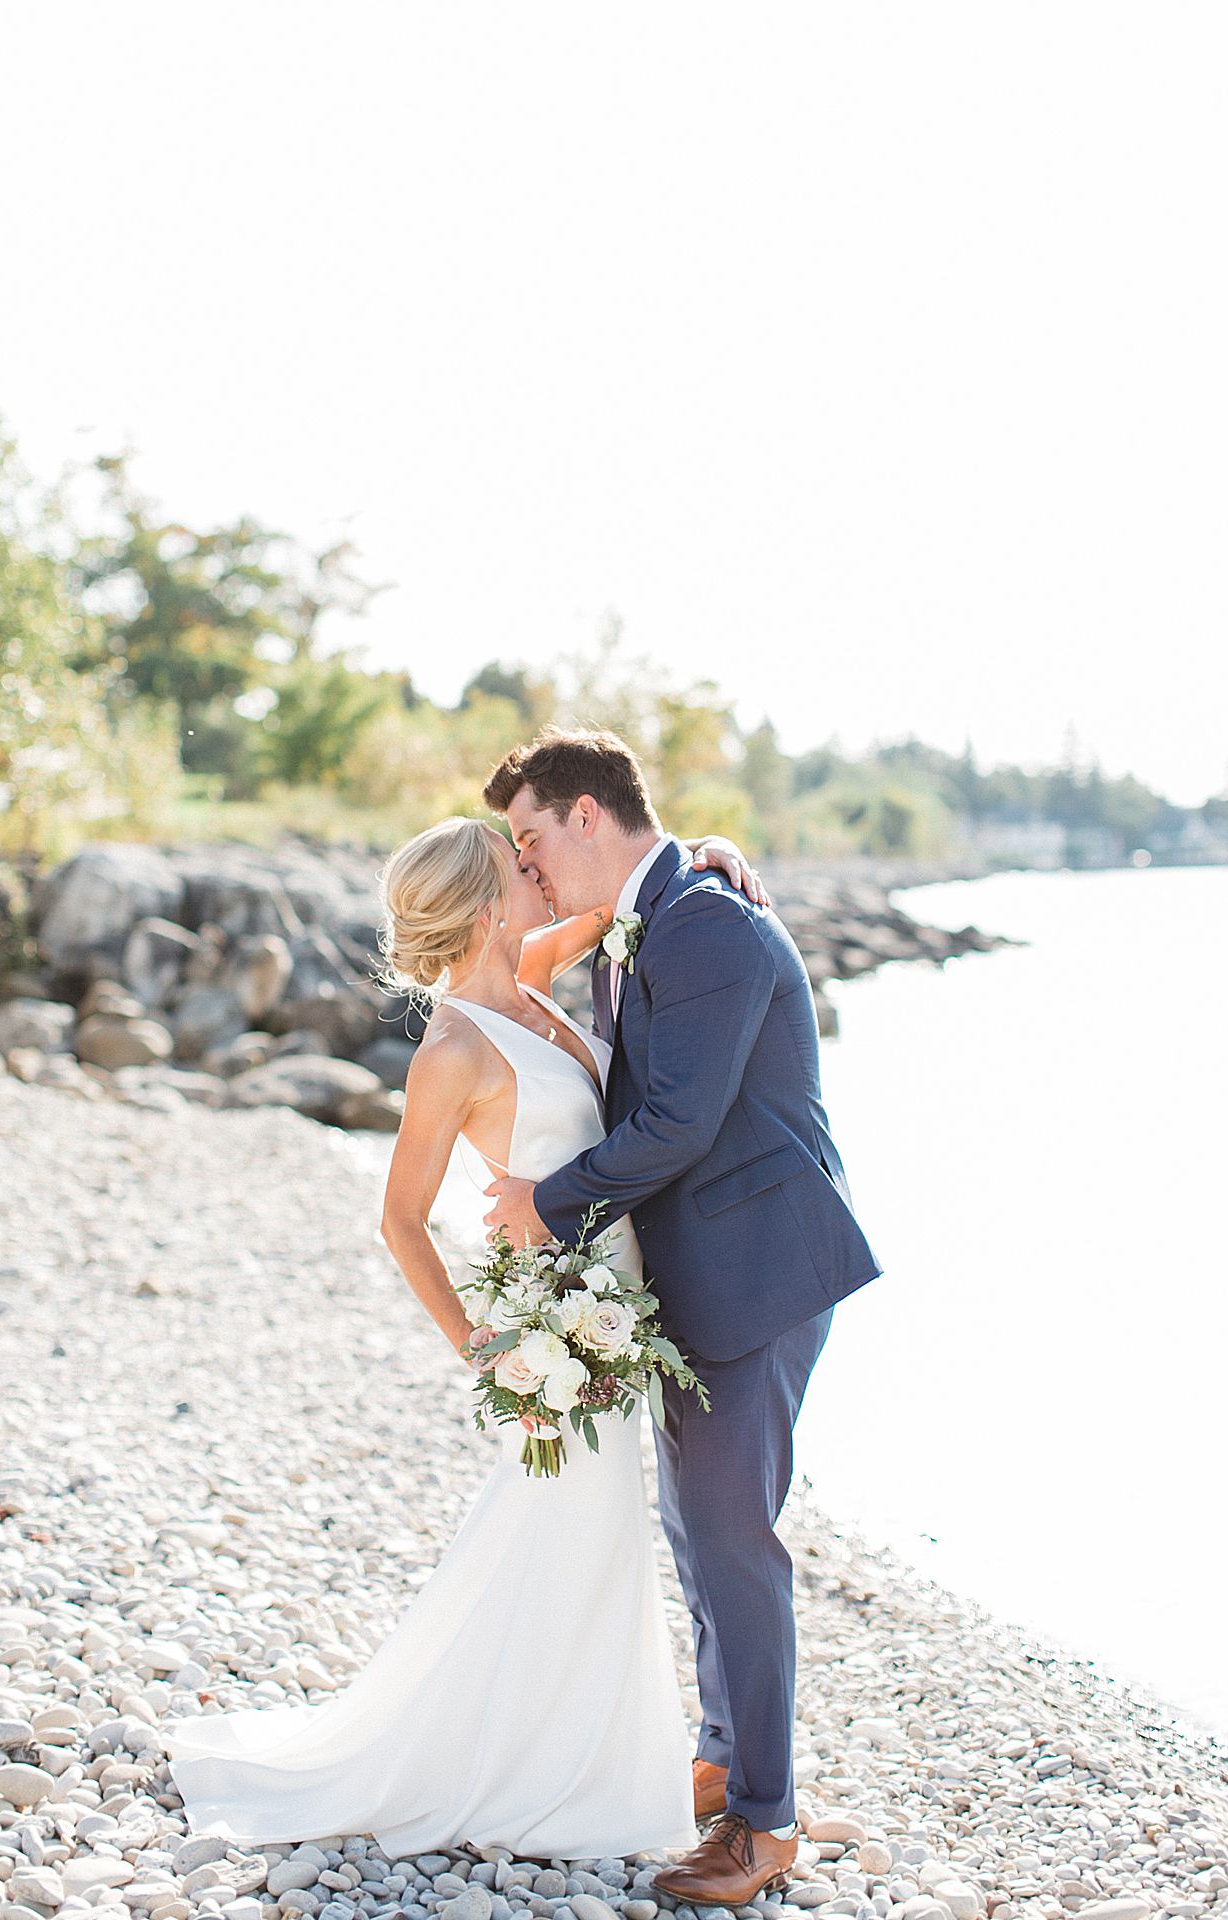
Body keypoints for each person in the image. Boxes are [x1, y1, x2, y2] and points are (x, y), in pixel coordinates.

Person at [158, 816, 764, 1861]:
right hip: (561, 1324)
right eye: (519, 868)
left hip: (615, 1294)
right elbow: (399, 1219)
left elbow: (625, 902)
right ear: (488, 901)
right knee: (569, 1527)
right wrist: (479, 1345)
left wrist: (706, 849)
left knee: (586, 1530)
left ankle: (575, 1756)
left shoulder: (531, 969)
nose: (538, 873)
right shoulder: (450, 1050)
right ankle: (543, 1772)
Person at [480, 728, 882, 1907]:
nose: (529, 859)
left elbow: (678, 1125)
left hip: (756, 1270)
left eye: (532, 833)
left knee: (733, 1544)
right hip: (692, 1275)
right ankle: (721, 1758)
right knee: (696, 1531)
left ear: (590, 815)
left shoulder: (702, 919)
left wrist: (542, 1205)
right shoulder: (648, 912)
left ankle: (764, 1825)